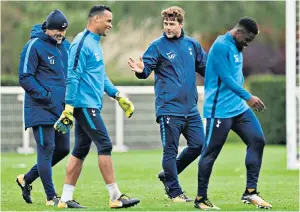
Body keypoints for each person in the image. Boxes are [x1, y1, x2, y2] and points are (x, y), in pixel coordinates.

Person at [53, 5, 140, 209]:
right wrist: (69, 107)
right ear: (96, 20)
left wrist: (117, 95)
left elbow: (99, 76)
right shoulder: (81, 43)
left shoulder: (95, 43)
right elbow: (73, 76)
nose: (111, 25)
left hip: (91, 104)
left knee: (80, 150)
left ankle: (65, 199)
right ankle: (115, 196)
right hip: (84, 105)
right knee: (105, 145)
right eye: (108, 21)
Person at [128, 6, 206, 202]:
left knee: (199, 145)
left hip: (191, 109)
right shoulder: (157, 46)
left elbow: (206, 69)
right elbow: (145, 71)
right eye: (165, 24)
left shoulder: (192, 45)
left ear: (181, 24)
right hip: (169, 109)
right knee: (170, 151)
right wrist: (139, 70)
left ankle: (167, 175)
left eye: (172, 24)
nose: (168, 28)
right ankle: (174, 191)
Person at [194, 17, 272, 210]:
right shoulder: (221, 46)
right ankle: (200, 198)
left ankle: (250, 193)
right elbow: (226, 78)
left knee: (257, 140)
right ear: (239, 33)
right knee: (211, 152)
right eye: (248, 39)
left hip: (238, 109)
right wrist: (248, 96)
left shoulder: (237, 46)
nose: (248, 43)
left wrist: (242, 99)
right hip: (219, 110)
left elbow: (237, 75)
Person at [17, 9, 70, 206]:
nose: (60, 33)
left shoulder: (66, 47)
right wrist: (46, 96)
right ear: (47, 28)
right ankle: (51, 197)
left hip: (61, 110)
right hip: (40, 108)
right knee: (47, 149)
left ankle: (26, 179)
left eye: (63, 30)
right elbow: (25, 77)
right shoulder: (34, 45)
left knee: (63, 149)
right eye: (56, 29)